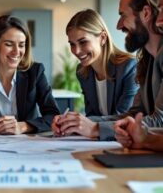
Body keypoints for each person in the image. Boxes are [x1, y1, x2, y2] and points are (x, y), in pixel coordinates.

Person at [51, 9, 138, 138]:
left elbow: (125, 119)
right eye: (72, 44)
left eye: (83, 42)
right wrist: (70, 123)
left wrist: (82, 122)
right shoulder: (83, 73)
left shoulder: (129, 67)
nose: (77, 51)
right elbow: (92, 116)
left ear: (102, 38)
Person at [114, 0, 163, 151]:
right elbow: (137, 115)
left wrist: (95, 129)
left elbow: (160, 120)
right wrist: (86, 124)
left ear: (146, 13)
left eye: (123, 15)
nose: (118, 26)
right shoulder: (147, 59)